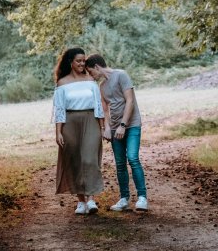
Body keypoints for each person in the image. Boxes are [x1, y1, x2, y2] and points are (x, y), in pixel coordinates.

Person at [85, 54, 148, 212]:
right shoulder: (102, 86)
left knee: (133, 158)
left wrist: (122, 125)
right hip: (114, 128)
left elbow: (130, 101)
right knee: (120, 164)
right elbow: (105, 109)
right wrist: (107, 128)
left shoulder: (121, 75)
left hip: (131, 125)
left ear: (97, 67)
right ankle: (124, 199)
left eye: (90, 71)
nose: (91, 76)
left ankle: (142, 198)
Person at [52, 47, 105, 215]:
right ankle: (81, 201)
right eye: (79, 61)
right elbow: (59, 109)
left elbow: (98, 105)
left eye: (84, 60)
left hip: (91, 120)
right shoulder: (62, 83)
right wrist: (58, 132)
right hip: (70, 122)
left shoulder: (90, 80)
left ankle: (91, 200)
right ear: (71, 62)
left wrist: (102, 127)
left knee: (90, 159)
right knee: (75, 160)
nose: (82, 63)